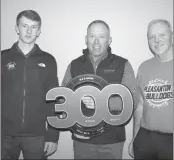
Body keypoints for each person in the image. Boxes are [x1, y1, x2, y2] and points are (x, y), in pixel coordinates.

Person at [62, 20, 139, 159]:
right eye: (92, 36)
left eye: (102, 37)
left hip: (112, 141)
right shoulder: (74, 65)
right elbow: (63, 99)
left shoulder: (123, 64)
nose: (96, 42)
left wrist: (102, 104)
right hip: (82, 140)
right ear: (86, 39)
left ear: (109, 40)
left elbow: (133, 99)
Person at [1, 10, 59, 159]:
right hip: (4, 134)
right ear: (17, 28)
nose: (28, 31)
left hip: (37, 135)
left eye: (33, 27)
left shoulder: (48, 60)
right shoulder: (3, 57)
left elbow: (54, 99)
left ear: (39, 31)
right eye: (24, 25)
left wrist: (53, 135)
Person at [129, 19, 173, 160]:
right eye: (151, 37)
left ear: (171, 35)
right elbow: (140, 106)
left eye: (162, 35)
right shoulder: (144, 67)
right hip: (145, 138)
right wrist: (135, 138)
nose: (157, 40)